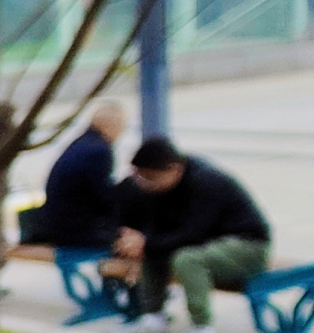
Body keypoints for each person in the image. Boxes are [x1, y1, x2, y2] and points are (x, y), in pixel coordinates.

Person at [117, 137, 271, 333]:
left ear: (174, 169)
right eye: (139, 176)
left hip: (247, 246)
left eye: (149, 177)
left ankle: (202, 325)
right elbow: (157, 230)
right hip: (208, 244)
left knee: (187, 259)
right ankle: (154, 316)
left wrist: (146, 243)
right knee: (153, 250)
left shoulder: (206, 181)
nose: (143, 183)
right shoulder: (160, 188)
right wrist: (135, 240)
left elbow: (194, 233)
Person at [30, 101, 126, 248]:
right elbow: (103, 195)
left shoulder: (81, 143)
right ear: (111, 126)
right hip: (76, 232)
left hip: (57, 224)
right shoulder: (99, 151)